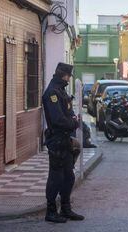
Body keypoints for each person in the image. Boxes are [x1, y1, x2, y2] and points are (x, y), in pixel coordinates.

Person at [42, 63, 85, 223]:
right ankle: (51, 211)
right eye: (68, 75)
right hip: (57, 140)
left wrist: (74, 119)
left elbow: (68, 112)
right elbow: (58, 119)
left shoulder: (60, 90)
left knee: (69, 177)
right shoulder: (52, 92)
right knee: (56, 178)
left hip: (65, 140)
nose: (69, 78)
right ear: (63, 75)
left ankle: (66, 208)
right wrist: (74, 123)